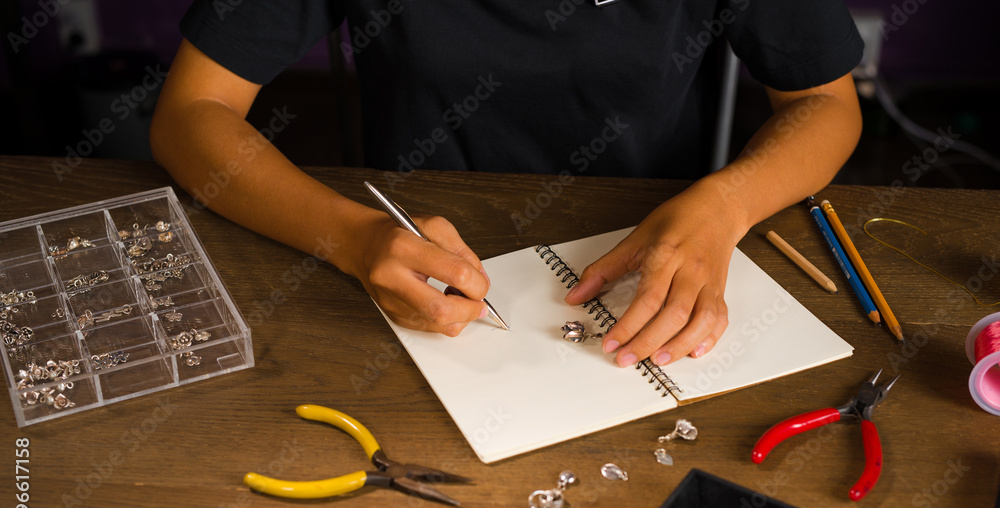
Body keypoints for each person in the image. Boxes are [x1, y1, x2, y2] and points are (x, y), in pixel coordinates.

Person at [151, 0, 863, 368]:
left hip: (658, 245)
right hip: (418, 271)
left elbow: (825, 104)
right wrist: (352, 236)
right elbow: (191, 113)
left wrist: (727, 205)